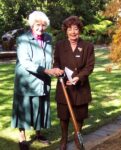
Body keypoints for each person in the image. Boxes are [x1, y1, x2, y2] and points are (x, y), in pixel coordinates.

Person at [11, 11, 64, 150]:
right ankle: (22, 137)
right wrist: (47, 71)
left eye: (43, 25)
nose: (40, 28)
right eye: (37, 25)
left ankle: (38, 134)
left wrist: (54, 68)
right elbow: (25, 62)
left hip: (43, 80)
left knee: (40, 107)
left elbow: (48, 58)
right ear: (32, 25)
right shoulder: (23, 39)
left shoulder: (48, 38)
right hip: (26, 82)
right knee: (24, 109)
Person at [53, 16, 95, 150]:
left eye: (75, 29)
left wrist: (79, 77)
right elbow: (56, 62)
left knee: (80, 116)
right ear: (66, 31)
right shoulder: (60, 45)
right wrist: (57, 71)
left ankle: (78, 138)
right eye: (69, 29)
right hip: (64, 86)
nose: (73, 32)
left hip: (80, 87)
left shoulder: (88, 46)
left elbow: (89, 66)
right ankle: (64, 140)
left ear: (80, 30)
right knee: (64, 117)